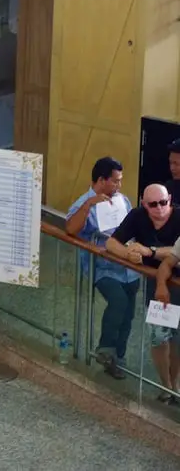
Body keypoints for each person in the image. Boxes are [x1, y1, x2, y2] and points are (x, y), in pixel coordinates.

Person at [106, 184, 180, 404]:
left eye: (163, 202)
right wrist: (128, 254)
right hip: (158, 284)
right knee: (158, 336)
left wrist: (150, 251)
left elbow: (174, 252)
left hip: (175, 282)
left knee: (177, 339)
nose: (159, 208)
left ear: (170, 199)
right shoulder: (138, 216)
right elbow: (111, 242)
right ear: (144, 204)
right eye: (153, 204)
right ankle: (165, 385)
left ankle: (175, 384)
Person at [65, 157, 137, 379]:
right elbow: (70, 229)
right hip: (103, 268)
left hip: (128, 268)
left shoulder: (123, 200)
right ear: (101, 180)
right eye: (115, 181)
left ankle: (118, 359)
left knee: (127, 314)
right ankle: (105, 349)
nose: (119, 186)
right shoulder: (83, 203)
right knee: (118, 302)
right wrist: (90, 205)